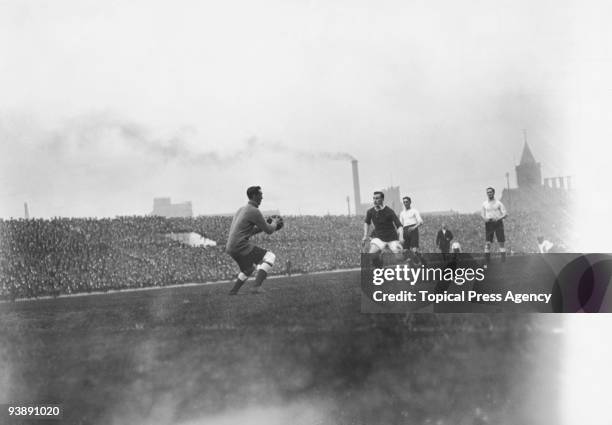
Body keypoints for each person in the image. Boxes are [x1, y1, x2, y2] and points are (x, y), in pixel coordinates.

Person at [226, 186, 281, 295]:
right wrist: (274, 223)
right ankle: (256, 287)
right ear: (255, 196)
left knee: (248, 269)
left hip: (230, 247)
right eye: (260, 195)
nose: (262, 198)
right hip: (240, 245)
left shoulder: (241, 209)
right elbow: (269, 230)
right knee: (270, 256)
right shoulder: (254, 211)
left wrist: (263, 226)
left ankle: (233, 291)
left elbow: (248, 232)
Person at [362, 191, 403, 261]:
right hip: (379, 238)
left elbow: (399, 226)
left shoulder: (389, 211)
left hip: (392, 238)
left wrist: (401, 237)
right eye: (374, 198)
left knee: (399, 258)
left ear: (382, 199)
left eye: (377, 198)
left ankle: (414, 262)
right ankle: (380, 260)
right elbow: (366, 223)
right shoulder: (370, 211)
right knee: (371, 256)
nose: (375, 200)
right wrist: (365, 235)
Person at [481, 187, 508, 265]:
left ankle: (503, 261)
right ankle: (487, 261)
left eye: (490, 192)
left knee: (501, 242)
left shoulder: (498, 203)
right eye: (488, 192)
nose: (489, 193)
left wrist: (499, 218)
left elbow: (505, 214)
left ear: (493, 193)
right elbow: (482, 214)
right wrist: (485, 218)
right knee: (488, 243)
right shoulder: (484, 204)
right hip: (489, 224)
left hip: (498, 223)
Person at [399, 196, 426, 264]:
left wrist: (414, 227)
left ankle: (422, 260)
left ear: (410, 202)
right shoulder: (402, 213)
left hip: (413, 230)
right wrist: (401, 235)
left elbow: (421, 222)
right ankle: (413, 263)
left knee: (414, 250)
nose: (405, 203)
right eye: (404, 202)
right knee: (405, 251)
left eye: (407, 202)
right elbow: (400, 225)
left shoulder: (414, 211)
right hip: (405, 231)